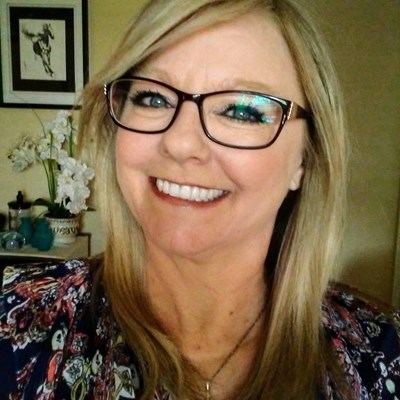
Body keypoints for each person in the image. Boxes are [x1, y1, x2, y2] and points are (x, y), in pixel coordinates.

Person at [1, 0, 399, 399]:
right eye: (153, 98)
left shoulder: (381, 353)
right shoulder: (13, 325)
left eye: (242, 110)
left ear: (305, 159)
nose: (181, 143)